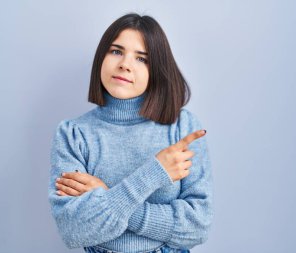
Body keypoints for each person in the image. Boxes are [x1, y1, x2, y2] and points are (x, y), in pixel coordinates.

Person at [48, 12, 213, 253]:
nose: (125, 64)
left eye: (142, 59)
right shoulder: (73, 134)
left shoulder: (183, 128)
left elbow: (197, 227)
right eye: (116, 51)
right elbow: (74, 230)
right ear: (101, 57)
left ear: (156, 69)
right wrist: (155, 173)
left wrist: (105, 196)